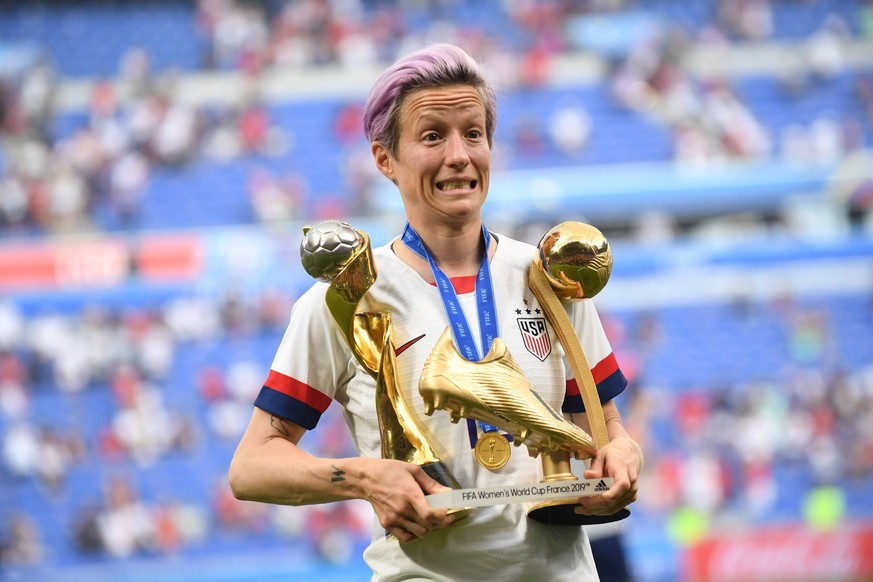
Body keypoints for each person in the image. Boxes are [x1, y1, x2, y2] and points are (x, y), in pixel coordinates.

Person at [229, 43, 643, 581]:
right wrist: (364, 478)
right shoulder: (347, 297)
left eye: (473, 133)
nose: (459, 155)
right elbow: (252, 466)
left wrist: (624, 455)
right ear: (385, 159)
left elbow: (604, 426)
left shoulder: (551, 276)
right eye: (432, 136)